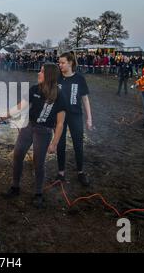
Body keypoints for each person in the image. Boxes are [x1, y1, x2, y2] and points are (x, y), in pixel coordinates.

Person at [0, 63, 67, 208]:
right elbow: (19, 107)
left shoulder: (59, 96)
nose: (38, 74)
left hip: (44, 132)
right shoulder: (34, 89)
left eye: (41, 71)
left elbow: (60, 124)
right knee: (17, 155)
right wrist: (2, 117)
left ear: (49, 76)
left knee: (38, 163)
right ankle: (15, 188)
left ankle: (38, 194)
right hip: (28, 127)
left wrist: (54, 143)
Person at [56, 53, 93, 187]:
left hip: (76, 115)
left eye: (63, 63)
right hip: (60, 116)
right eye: (59, 63)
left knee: (78, 144)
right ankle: (60, 173)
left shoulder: (79, 78)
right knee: (60, 144)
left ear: (70, 63)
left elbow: (85, 99)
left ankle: (80, 172)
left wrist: (89, 118)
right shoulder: (57, 78)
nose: (60, 65)